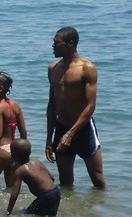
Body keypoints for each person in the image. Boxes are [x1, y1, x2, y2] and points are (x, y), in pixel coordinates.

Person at [45, 26, 106, 189]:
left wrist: (71, 134)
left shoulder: (87, 68)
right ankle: (69, 214)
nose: (52, 46)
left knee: (97, 179)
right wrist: (49, 138)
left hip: (83, 129)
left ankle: (103, 212)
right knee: (65, 182)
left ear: (70, 44)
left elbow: (91, 105)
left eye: (56, 43)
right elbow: (52, 105)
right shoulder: (53, 68)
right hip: (61, 127)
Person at [6, 139, 60, 217]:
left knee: (27, 215)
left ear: (12, 155)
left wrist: (8, 211)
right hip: (56, 191)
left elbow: (15, 194)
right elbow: (52, 178)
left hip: (45, 196)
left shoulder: (20, 170)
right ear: (30, 152)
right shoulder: (37, 162)